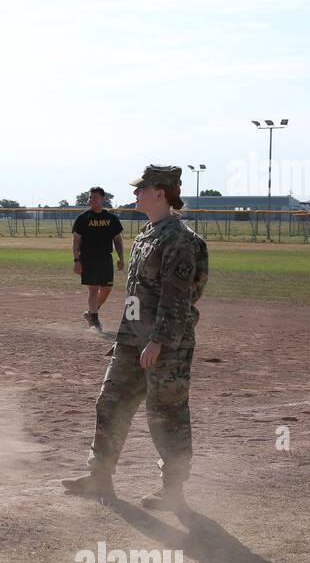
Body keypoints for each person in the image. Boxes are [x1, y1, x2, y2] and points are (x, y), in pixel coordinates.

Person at [62, 165, 209, 511]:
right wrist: (126, 333)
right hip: (133, 340)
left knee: (166, 414)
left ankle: (173, 490)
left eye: (141, 189)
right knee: (110, 402)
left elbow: (179, 298)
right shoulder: (147, 234)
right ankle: (100, 474)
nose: (135, 194)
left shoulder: (180, 240)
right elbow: (134, 294)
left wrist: (158, 340)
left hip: (167, 344)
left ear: (161, 192)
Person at [72, 186, 124, 330]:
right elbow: (76, 241)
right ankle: (94, 319)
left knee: (107, 288)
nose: (91, 200)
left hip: (106, 258)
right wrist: (76, 260)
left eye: (95, 197)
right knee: (93, 288)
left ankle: (91, 311)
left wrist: (121, 258)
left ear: (102, 199)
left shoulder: (111, 218)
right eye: (90, 197)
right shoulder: (83, 218)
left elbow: (118, 240)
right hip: (88, 258)